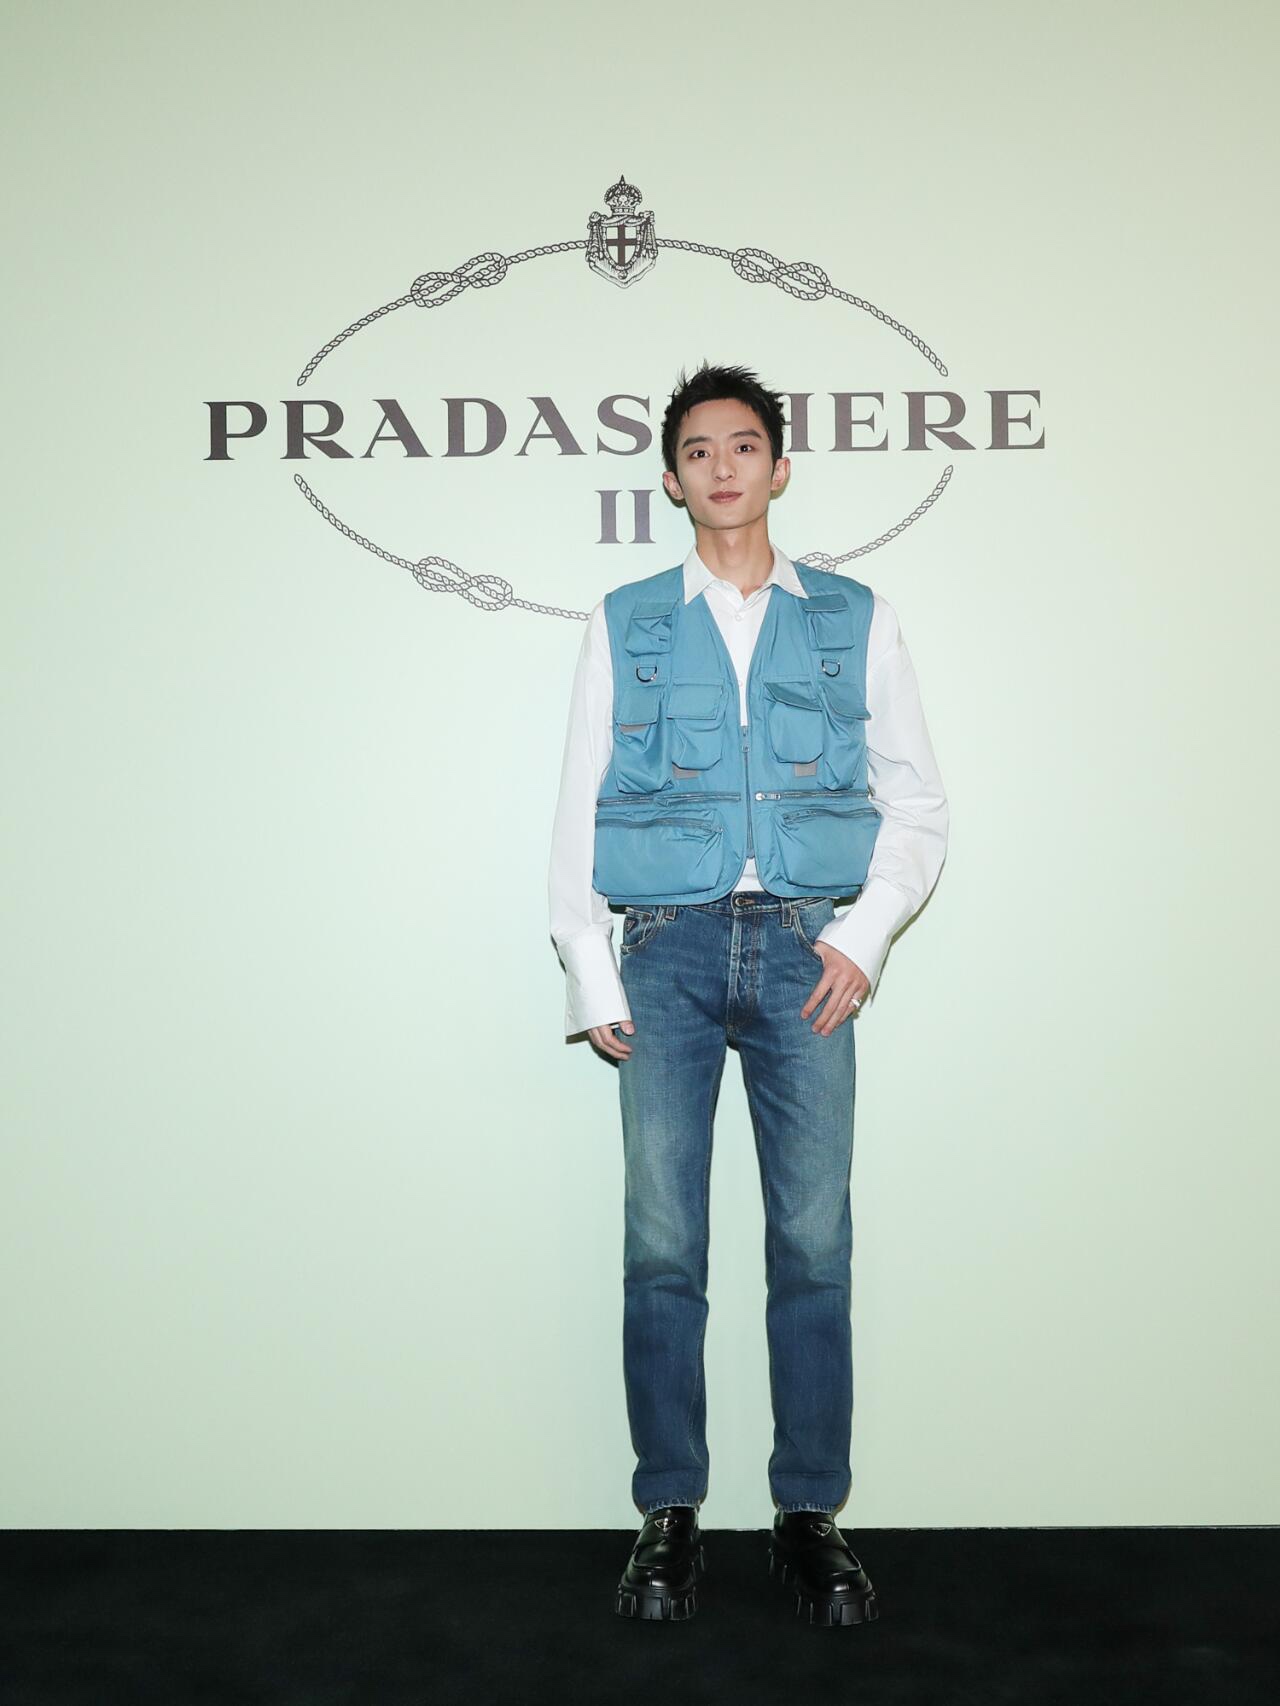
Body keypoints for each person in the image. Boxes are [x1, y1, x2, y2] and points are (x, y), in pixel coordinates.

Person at [547, 362, 949, 1626]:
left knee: (811, 1244)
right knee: (661, 1245)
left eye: (740, 446)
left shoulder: (855, 617)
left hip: (800, 953)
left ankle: (806, 1513)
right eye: (696, 451)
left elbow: (916, 801)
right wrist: (589, 962)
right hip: (662, 952)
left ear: (777, 467)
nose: (720, 466)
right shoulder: (622, 621)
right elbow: (574, 802)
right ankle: (667, 1512)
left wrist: (862, 938)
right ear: (671, 480)